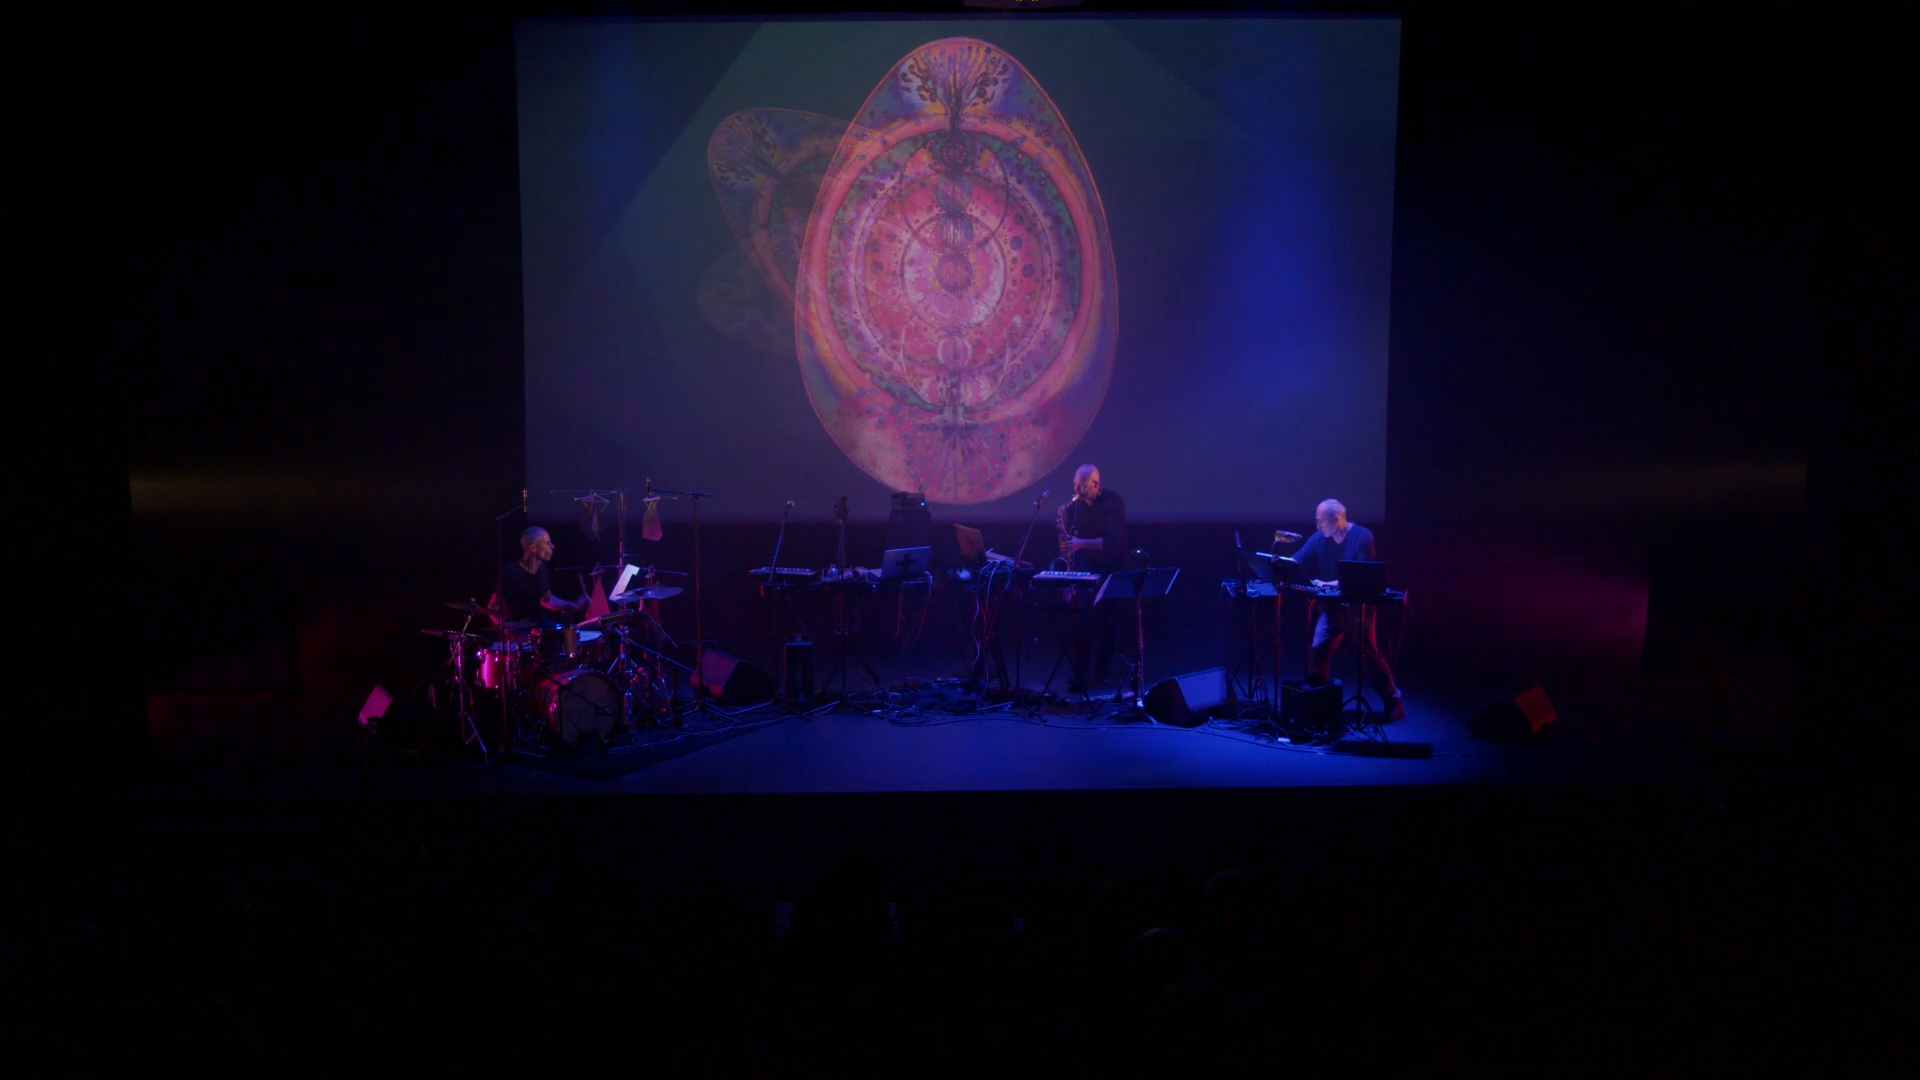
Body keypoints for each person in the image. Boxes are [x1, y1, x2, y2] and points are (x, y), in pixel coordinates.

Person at [1288, 499, 1403, 720]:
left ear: (1336, 519)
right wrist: (1281, 565)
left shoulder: (1363, 537)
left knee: (1369, 656)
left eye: (1321, 521)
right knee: (1318, 650)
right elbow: (1297, 561)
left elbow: (1357, 576)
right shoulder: (1319, 538)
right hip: (1331, 608)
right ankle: (1319, 703)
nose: (1318, 526)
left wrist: (1323, 583)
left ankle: (1394, 700)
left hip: (1358, 609)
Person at [1057, 464, 1129, 693]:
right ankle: (1080, 674)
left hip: (1110, 566)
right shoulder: (1072, 507)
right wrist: (1067, 549)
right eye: (1075, 484)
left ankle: (1102, 672)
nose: (1077, 489)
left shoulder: (1113, 502)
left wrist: (1080, 544)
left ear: (1096, 484)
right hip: (1084, 568)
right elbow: (1070, 540)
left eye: (1083, 485)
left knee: (1107, 622)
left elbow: (1114, 542)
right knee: (1080, 620)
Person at [499, 526, 588, 625]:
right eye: (547, 543)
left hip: (538, 626)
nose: (552, 546)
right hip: (519, 630)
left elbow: (546, 599)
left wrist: (574, 605)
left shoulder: (542, 569)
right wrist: (507, 629)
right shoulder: (511, 572)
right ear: (533, 548)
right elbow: (493, 607)